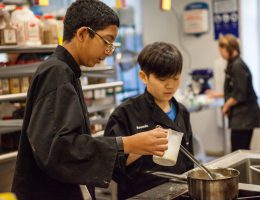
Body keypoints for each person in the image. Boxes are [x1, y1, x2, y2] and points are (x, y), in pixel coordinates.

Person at [11, 1, 168, 200]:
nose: (108, 51)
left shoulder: (67, 71)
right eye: (107, 42)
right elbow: (60, 150)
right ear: (83, 34)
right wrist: (127, 143)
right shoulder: (56, 72)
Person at [104, 42, 194, 199]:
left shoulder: (182, 111)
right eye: (162, 79)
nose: (170, 85)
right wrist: (138, 147)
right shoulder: (125, 113)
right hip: (141, 194)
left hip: (180, 193)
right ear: (143, 77)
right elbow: (110, 167)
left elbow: (189, 162)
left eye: (175, 78)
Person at [206, 34, 260, 152]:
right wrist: (217, 94)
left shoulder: (237, 66)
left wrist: (226, 105)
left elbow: (240, 94)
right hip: (242, 115)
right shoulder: (233, 64)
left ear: (228, 48)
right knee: (240, 150)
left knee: (238, 151)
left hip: (244, 116)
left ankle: (240, 171)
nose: (220, 52)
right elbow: (235, 89)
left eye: (221, 49)